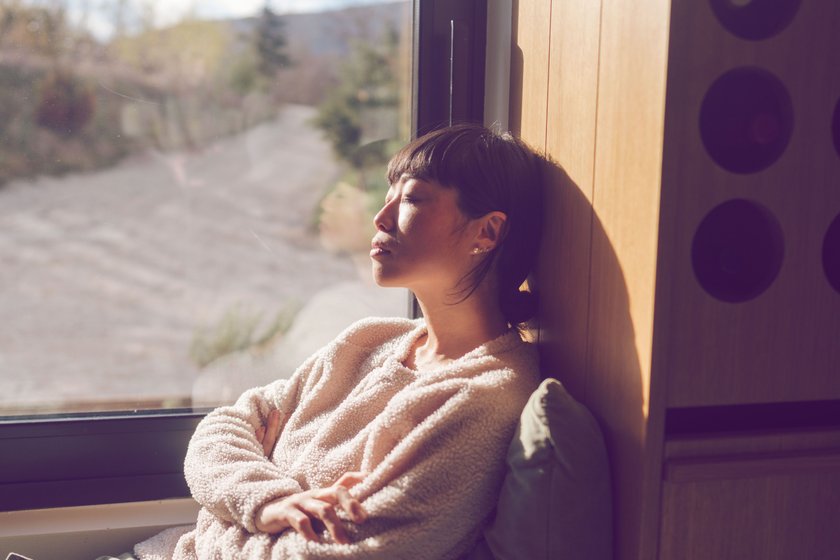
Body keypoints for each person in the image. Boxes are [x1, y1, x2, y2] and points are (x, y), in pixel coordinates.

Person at [133, 123, 546, 560]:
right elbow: (219, 430)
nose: (380, 218)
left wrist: (221, 516)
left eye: (411, 198)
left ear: (487, 233)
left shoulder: (480, 400)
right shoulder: (371, 340)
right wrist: (270, 503)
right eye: (388, 195)